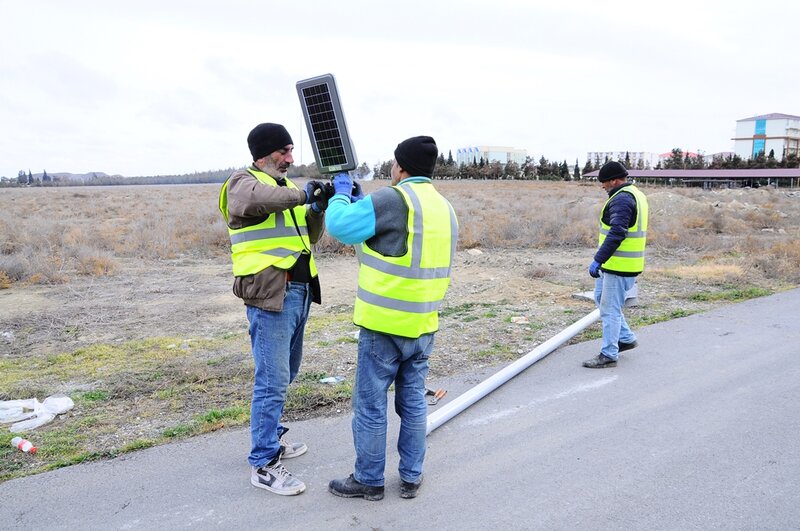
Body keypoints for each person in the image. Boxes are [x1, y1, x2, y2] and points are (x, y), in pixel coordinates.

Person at [324, 136, 458, 501]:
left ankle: (369, 480)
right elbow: (397, 241)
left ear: (399, 167)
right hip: (424, 325)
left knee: (370, 405)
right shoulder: (444, 208)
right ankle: (411, 477)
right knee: (412, 401)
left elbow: (339, 225)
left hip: (384, 325)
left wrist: (339, 195)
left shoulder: (392, 198)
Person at [218, 122, 332, 495]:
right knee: (271, 380)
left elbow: (310, 236)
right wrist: (304, 195)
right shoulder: (242, 183)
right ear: (263, 153)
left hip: (298, 292)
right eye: (283, 151)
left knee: (285, 374)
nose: (290, 158)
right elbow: (256, 201)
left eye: (291, 151)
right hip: (270, 295)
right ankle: (264, 463)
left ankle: (272, 437)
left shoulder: (285, 189)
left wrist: (317, 207)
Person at [584, 160, 649, 368]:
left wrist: (598, 259)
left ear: (614, 180)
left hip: (619, 265)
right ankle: (627, 338)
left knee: (610, 309)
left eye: (604, 182)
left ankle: (609, 354)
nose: (602, 186)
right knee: (600, 298)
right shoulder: (635, 194)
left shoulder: (622, 199)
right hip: (619, 263)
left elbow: (617, 232)